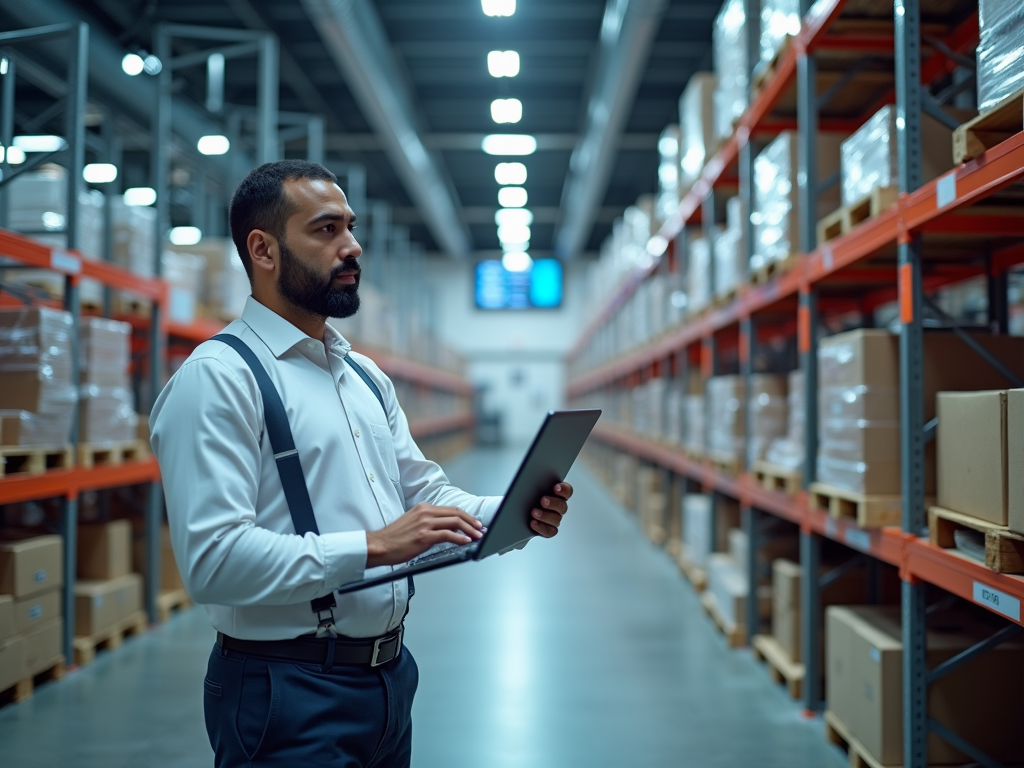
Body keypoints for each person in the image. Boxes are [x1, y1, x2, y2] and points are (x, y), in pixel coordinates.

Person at [150, 160, 574, 767]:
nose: (351, 248)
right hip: (284, 692)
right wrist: (374, 547)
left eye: (350, 228)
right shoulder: (218, 380)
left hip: (389, 680)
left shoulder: (362, 377)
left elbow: (424, 491)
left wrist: (510, 513)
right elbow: (213, 563)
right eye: (325, 231)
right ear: (263, 250)